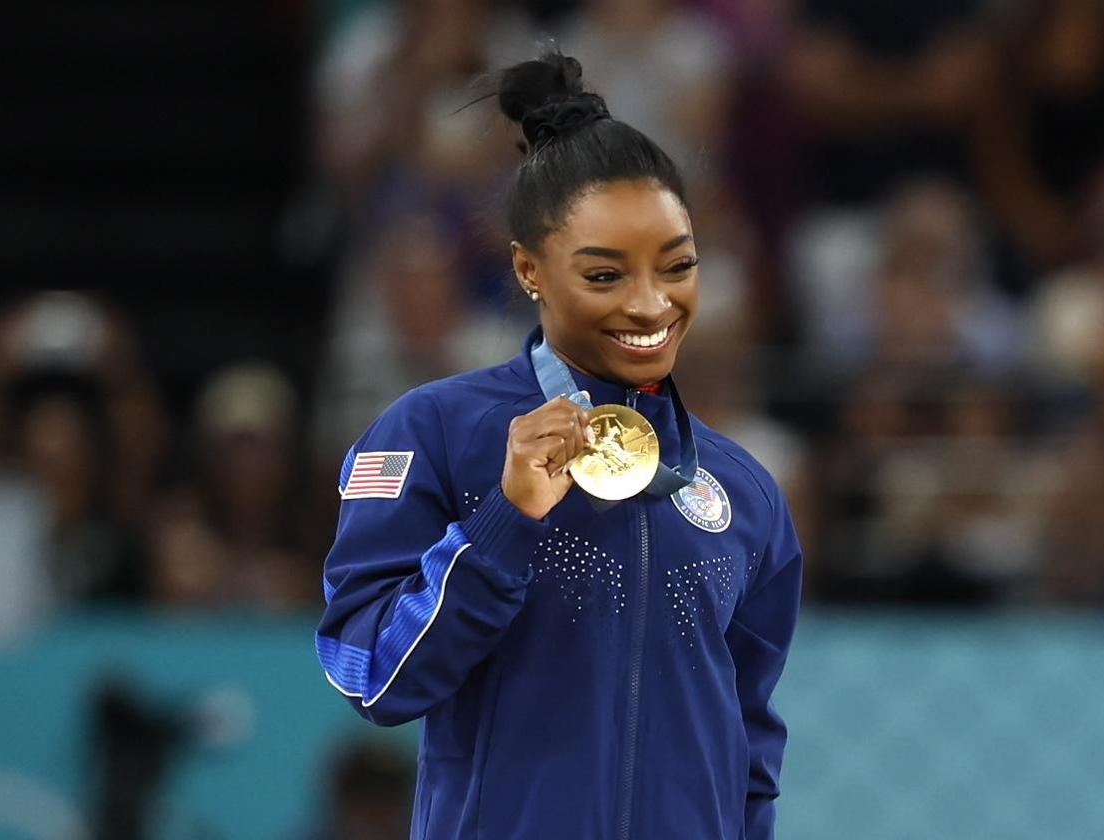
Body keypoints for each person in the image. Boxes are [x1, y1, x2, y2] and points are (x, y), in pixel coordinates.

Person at [314, 52, 803, 840]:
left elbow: (750, 748)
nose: (652, 304)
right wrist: (503, 523)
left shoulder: (743, 488)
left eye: (677, 266)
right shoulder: (436, 433)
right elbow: (369, 675)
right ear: (529, 269)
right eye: (605, 276)